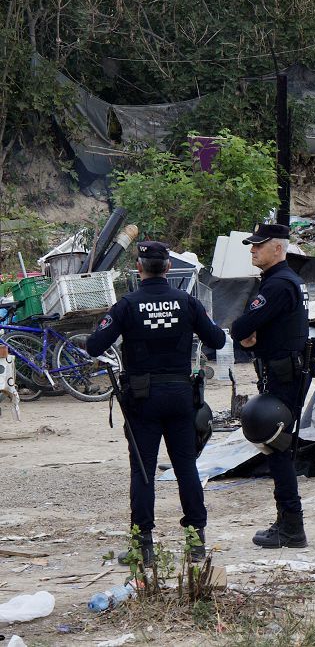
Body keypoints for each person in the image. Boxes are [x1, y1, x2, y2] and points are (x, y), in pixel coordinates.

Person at [86, 241, 226, 564]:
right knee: (186, 467)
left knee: (144, 472)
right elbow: (217, 339)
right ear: (167, 268)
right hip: (180, 398)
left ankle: (144, 546)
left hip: (142, 400)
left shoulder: (127, 305)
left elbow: (95, 345)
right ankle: (196, 542)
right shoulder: (187, 302)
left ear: (139, 268)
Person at [230, 223, 310, 548]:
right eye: (251, 245)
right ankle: (289, 524)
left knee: (277, 449)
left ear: (278, 248)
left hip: (284, 377)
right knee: (279, 449)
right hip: (285, 372)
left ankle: (291, 526)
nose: (253, 249)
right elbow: (253, 333)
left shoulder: (278, 285)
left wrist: (247, 334)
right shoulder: (284, 281)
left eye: (258, 245)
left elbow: (241, 326)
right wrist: (252, 339)